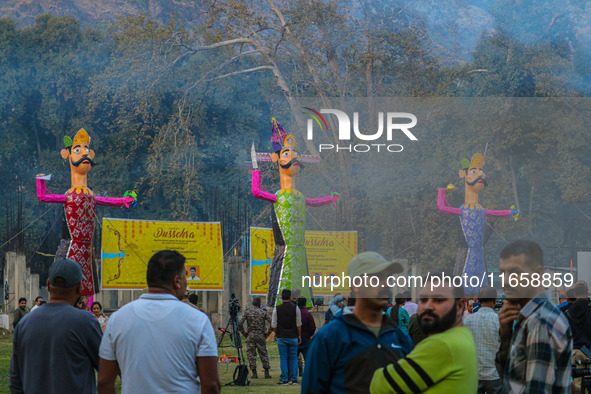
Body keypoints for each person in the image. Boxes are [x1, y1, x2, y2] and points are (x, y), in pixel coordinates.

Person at [97, 250, 220, 394]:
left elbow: (104, 382)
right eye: (185, 275)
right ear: (177, 281)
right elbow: (210, 385)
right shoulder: (197, 320)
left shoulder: (118, 319)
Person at [302, 252, 413, 394]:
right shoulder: (329, 337)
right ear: (356, 284)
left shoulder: (400, 338)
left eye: (388, 278)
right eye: (377, 278)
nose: (386, 284)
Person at [370, 274, 478, 393]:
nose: (428, 306)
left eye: (439, 300)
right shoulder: (463, 335)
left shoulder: (442, 344)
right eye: (423, 300)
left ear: (459, 306)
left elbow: (380, 386)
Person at [10, 258, 102, 393]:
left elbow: (15, 382)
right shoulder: (86, 322)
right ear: (79, 287)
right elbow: (105, 366)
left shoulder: (24, 325)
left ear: (48, 285)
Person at [496, 240, 572, 393]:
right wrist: (506, 335)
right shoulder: (530, 317)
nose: (504, 281)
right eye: (502, 273)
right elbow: (510, 378)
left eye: (514, 273)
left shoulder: (540, 323)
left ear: (537, 274)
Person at [464, 286, 503, 394]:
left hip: (474, 375)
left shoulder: (468, 321)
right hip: (494, 375)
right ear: (495, 300)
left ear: (479, 300)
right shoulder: (499, 321)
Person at [565, 281, 591, 393]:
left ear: (575, 294)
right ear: (587, 293)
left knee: (578, 388)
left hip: (575, 354)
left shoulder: (567, 313)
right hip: (590, 352)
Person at [272, 289, 302, 385]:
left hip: (281, 336)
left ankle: (284, 379)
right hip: (293, 336)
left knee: (283, 358)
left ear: (281, 297)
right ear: (290, 297)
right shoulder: (296, 308)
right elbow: (298, 324)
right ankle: (294, 379)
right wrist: (299, 335)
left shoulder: (277, 308)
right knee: (293, 358)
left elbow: (274, 325)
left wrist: (277, 333)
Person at [238, 297, 272, 379]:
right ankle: (266, 372)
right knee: (263, 353)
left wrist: (243, 332)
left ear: (253, 303)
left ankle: (254, 373)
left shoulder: (247, 312)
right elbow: (272, 322)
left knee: (251, 354)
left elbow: (239, 323)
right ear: (260, 304)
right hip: (261, 335)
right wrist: (268, 333)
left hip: (250, 335)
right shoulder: (263, 312)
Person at [297, 297, 316, 376]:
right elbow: (312, 327)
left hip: (296, 338)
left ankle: (294, 373)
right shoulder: (308, 314)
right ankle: (309, 374)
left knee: (293, 358)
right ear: (305, 304)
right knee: (307, 358)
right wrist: (308, 335)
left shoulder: (295, 313)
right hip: (306, 338)